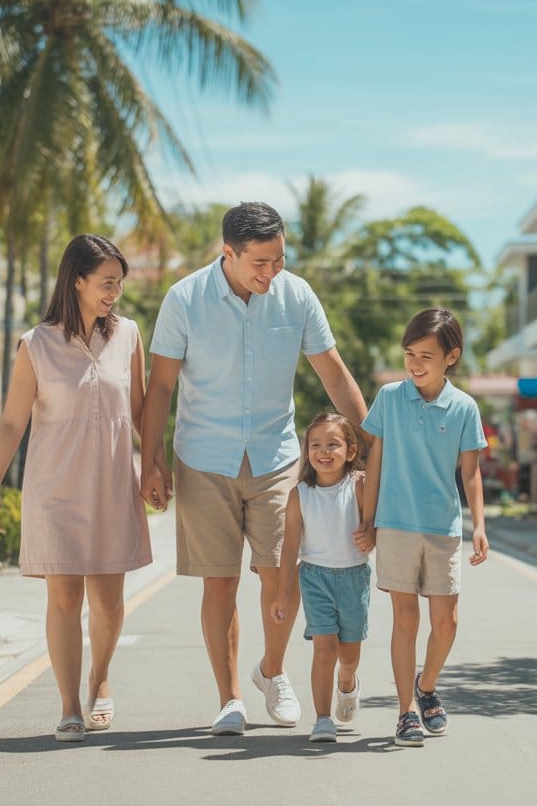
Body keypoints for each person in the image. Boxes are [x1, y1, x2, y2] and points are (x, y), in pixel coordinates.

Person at [140, 202, 369, 736]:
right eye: (259, 264)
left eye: (279, 261)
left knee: (281, 573)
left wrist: (373, 446)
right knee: (218, 583)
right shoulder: (185, 299)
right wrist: (151, 460)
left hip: (276, 457)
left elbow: (334, 377)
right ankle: (230, 700)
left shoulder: (297, 295)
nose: (270, 274)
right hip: (203, 457)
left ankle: (272, 671)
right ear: (229, 253)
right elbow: (161, 389)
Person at [0, 234, 151, 743]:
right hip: (54, 488)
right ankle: (69, 703)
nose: (114, 293)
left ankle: (100, 680)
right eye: (106, 282)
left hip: (113, 485)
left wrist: (160, 466)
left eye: (119, 283)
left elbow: (141, 412)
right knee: (64, 597)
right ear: (76, 280)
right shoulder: (36, 343)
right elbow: (13, 422)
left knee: (107, 599)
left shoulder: (129, 336)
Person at [354, 308, 489, 747]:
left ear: (451, 356)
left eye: (425, 355)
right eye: (410, 353)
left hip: (443, 528)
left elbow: (470, 473)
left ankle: (426, 686)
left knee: (446, 622)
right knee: (405, 619)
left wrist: (480, 526)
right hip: (394, 526)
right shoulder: (390, 398)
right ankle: (405, 712)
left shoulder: (465, 407)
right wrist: (368, 521)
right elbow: (374, 464)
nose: (414, 363)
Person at [271, 413, 369, 743]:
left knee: (349, 657)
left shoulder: (359, 484)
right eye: (315, 445)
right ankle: (322, 718)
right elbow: (290, 548)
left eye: (333, 444)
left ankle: (348, 683)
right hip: (314, 579)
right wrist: (282, 594)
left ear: (351, 451)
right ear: (307, 451)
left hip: (354, 578)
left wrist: (373, 536)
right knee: (324, 649)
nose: (323, 452)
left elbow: (375, 524)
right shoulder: (300, 494)